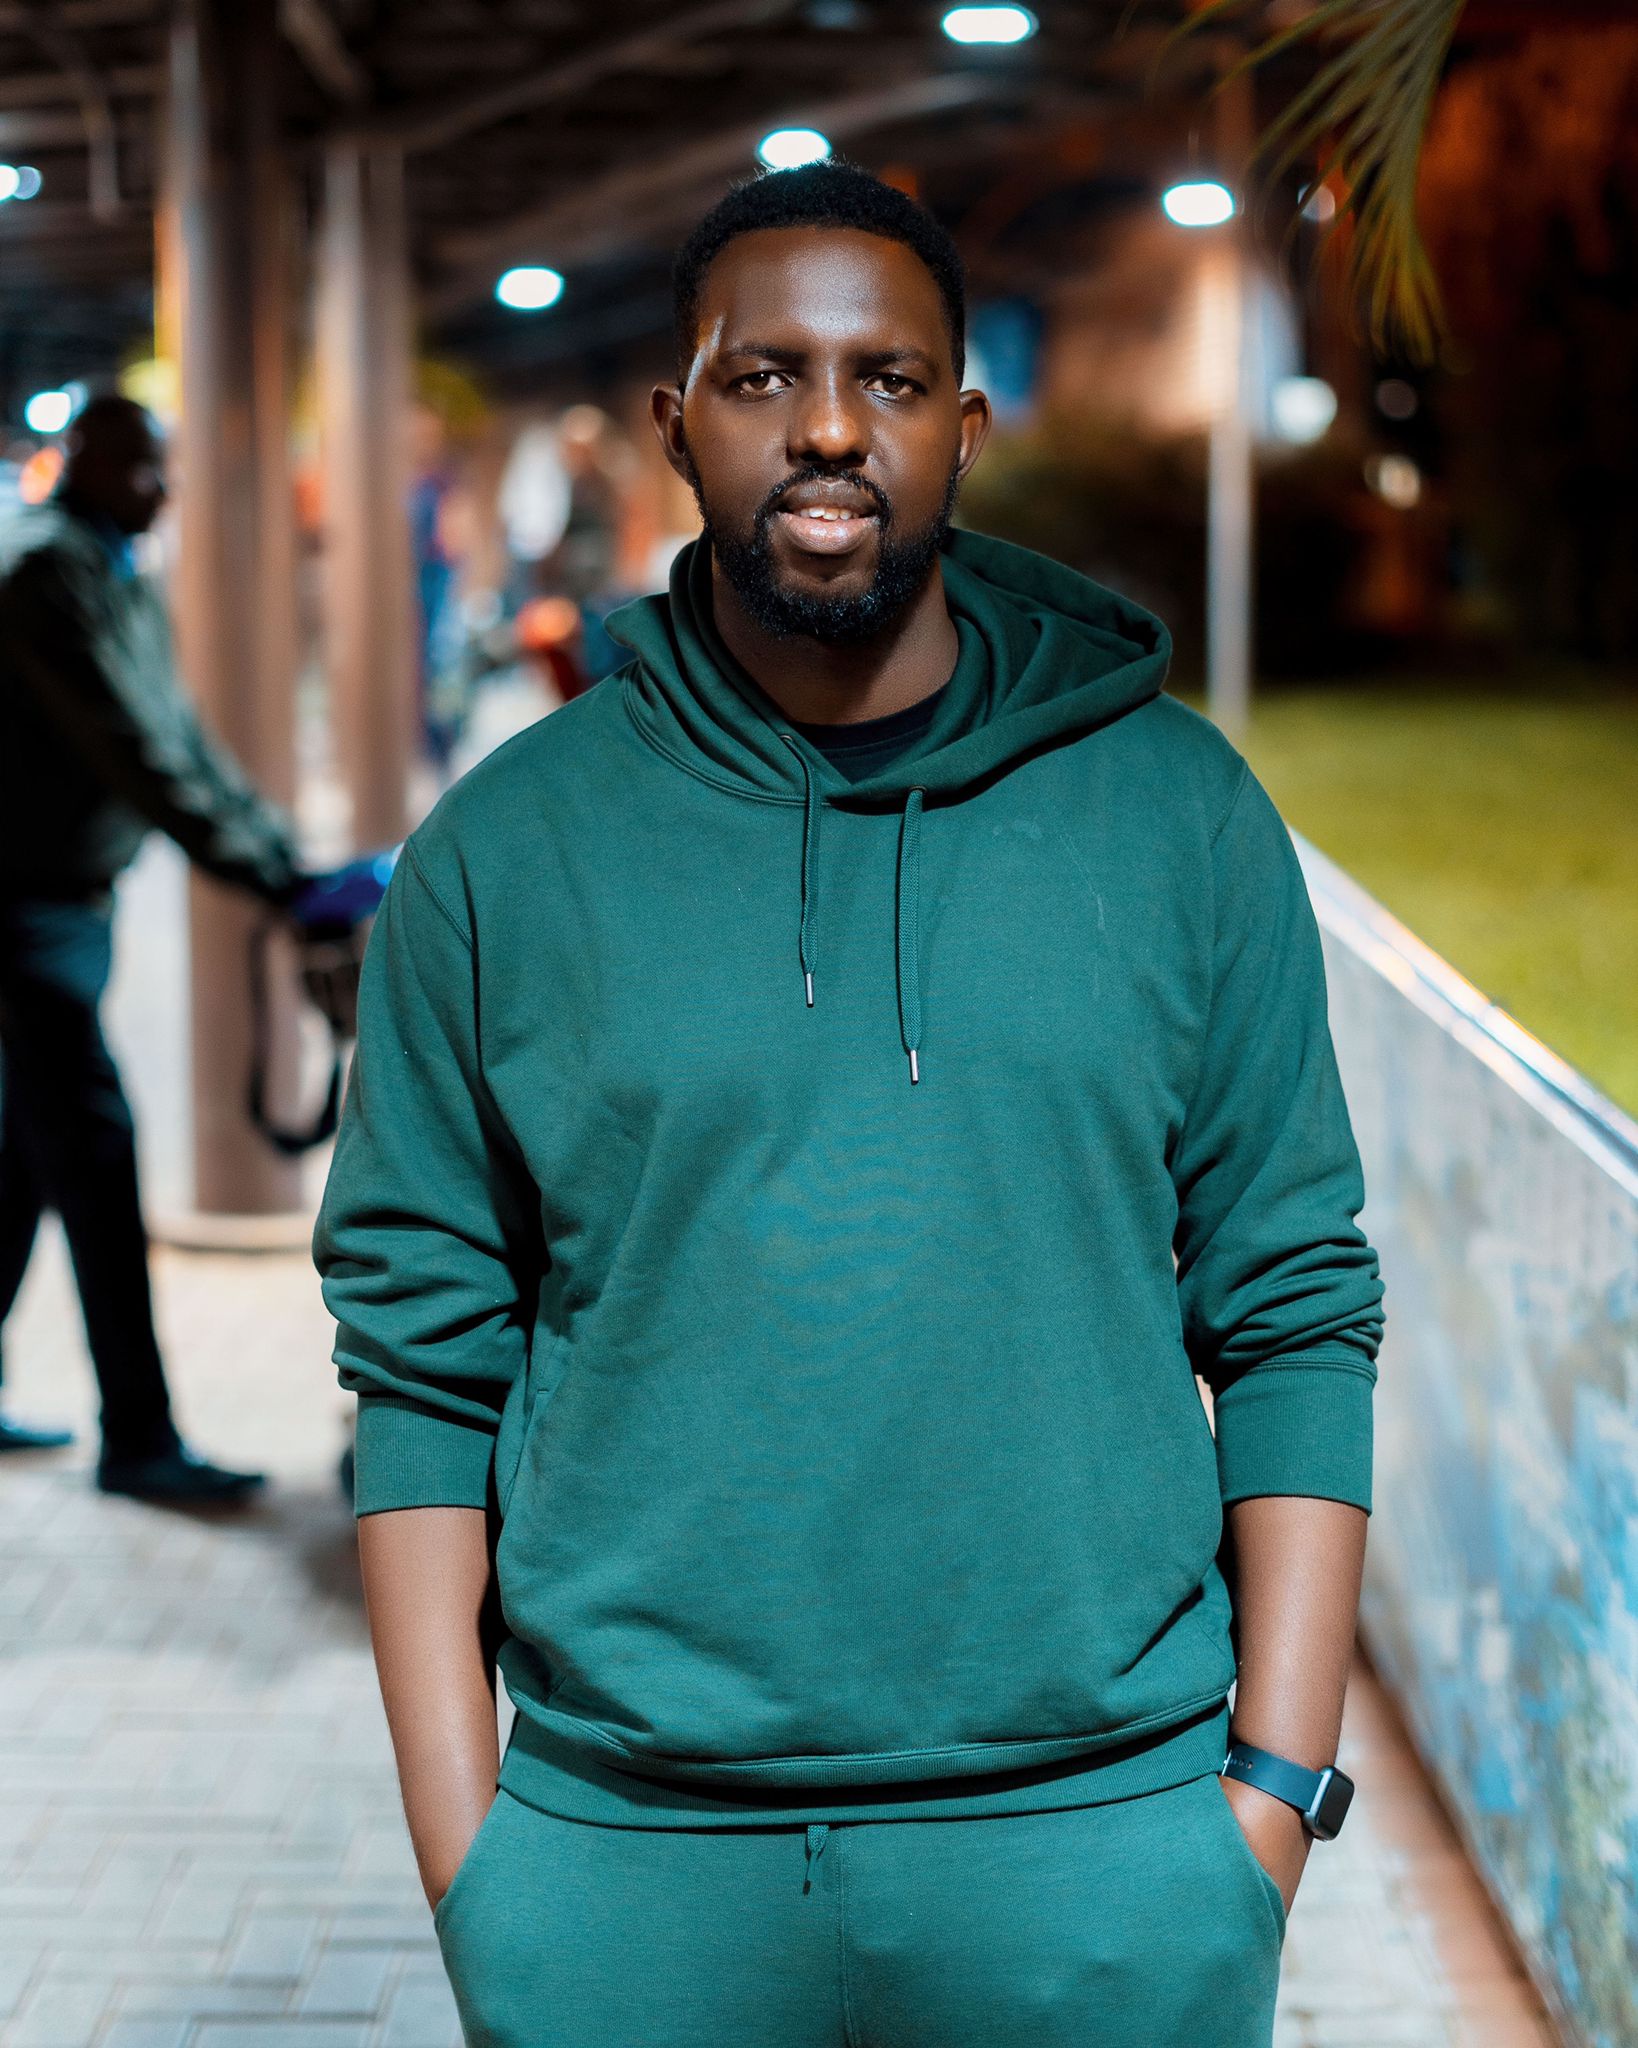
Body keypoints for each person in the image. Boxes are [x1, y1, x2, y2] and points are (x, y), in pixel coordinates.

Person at [314, 162, 1385, 2047]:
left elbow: (1292, 1305)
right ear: (677, 423)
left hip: (1102, 1858)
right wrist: (477, 1870)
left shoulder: (1177, 815)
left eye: (886, 379)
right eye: (765, 378)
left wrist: (1265, 1811)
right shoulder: (503, 851)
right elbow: (420, 1364)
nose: (827, 428)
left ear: (963, 426)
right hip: (626, 1872)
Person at [0, 394, 306, 1502]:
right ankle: (138, 1439)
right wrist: (262, 870)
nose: (163, 487)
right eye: (141, 466)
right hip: (22, 908)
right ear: (80, 459)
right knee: (94, 1152)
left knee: (26, 1157)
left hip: (68, 901)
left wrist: (279, 851)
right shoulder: (47, 570)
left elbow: (177, 727)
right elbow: (129, 742)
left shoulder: (113, 566)